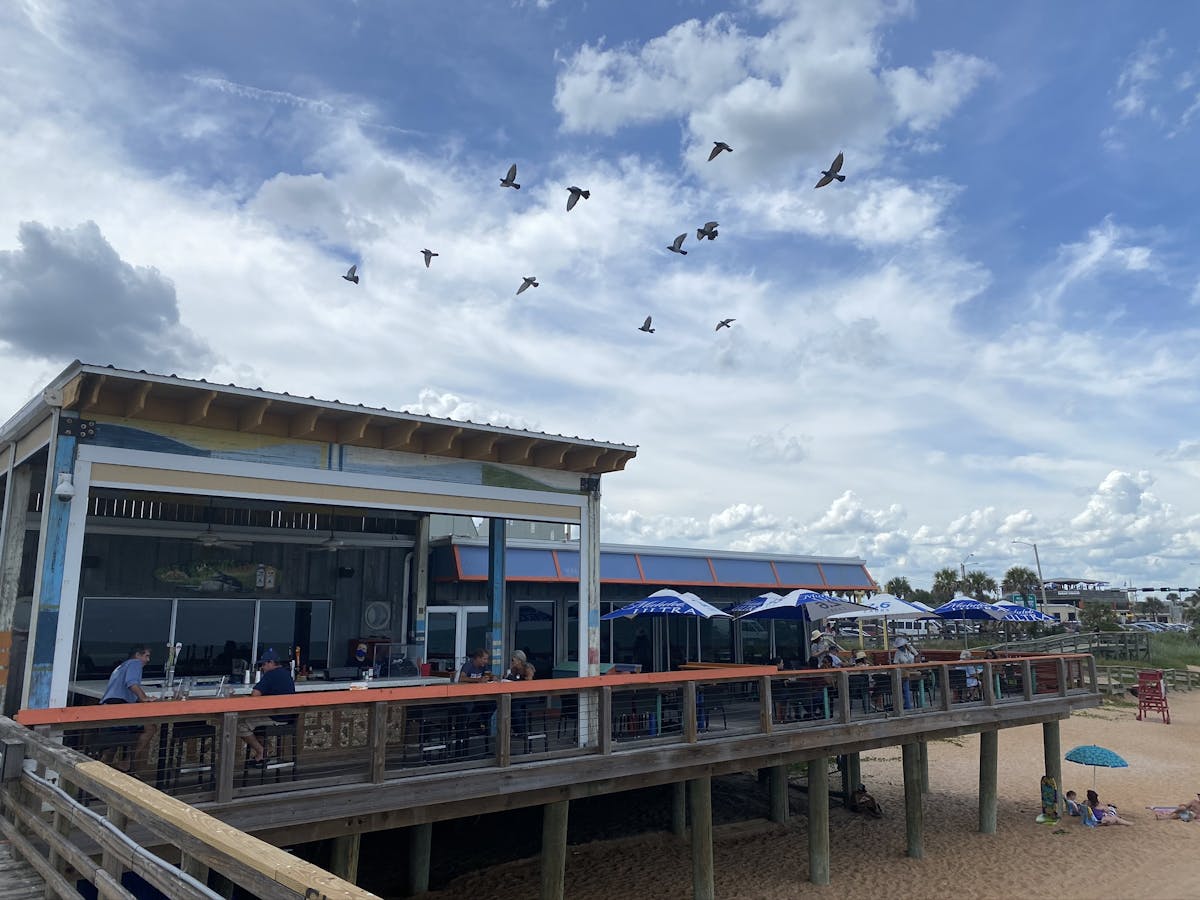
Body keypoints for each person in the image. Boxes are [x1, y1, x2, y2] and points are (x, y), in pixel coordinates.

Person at [99, 645, 156, 774]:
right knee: (150, 728)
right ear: (137, 655)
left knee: (112, 744)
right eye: (146, 656)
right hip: (118, 707)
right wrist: (144, 698)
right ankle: (127, 762)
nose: (148, 660)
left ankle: (101, 772)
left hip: (108, 708)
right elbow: (132, 683)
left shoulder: (122, 666)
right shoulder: (135, 664)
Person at [239, 648, 296, 765]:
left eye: (264, 664)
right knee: (256, 724)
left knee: (241, 724)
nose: (262, 668)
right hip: (288, 717)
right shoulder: (286, 674)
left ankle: (261, 751)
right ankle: (264, 753)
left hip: (276, 717)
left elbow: (255, 695)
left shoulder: (271, 675)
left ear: (271, 662)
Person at [892, 637, 919, 709]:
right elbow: (895, 664)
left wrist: (915, 664)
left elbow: (917, 656)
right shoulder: (897, 653)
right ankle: (907, 704)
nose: (899, 648)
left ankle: (909, 703)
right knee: (905, 684)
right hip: (904, 671)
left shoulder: (911, 649)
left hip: (913, 669)